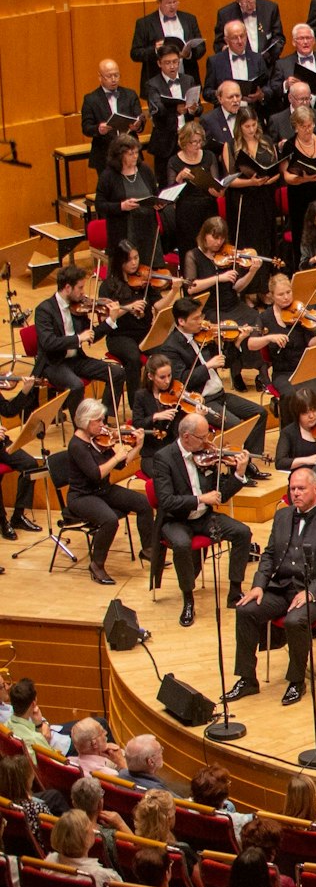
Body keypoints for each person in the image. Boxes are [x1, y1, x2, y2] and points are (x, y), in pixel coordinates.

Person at [227, 467, 316, 707]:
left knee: (295, 621)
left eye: (301, 488)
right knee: (245, 610)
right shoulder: (283, 516)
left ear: (315, 489)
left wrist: (312, 591)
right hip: (282, 587)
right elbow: (269, 554)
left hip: (315, 593)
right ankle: (247, 679)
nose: (295, 493)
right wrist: (258, 585)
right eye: (292, 488)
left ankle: (296, 680)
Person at [147, 413, 254, 629]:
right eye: (202, 437)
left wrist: (239, 473)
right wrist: (200, 499)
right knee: (181, 544)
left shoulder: (206, 456)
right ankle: (188, 599)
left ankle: (235, 592)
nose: (207, 442)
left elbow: (221, 495)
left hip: (204, 517)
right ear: (186, 437)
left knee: (243, 532)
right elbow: (166, 501)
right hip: (175, 520)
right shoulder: (163, 458)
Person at [65, 398, 157, 585]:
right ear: (86, 421)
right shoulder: (77, 445)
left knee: (144, 503)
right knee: (109, 520)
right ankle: (97, 564)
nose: (103, 424)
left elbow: (121, 465)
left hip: (102, 490)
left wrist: (138, 446)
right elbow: (95, 474)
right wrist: (116, 457)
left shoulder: (98, 440)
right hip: (82, 496)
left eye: (102, 419)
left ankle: (148, 549)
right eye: (98, 420)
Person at [37, 265, 127, 419]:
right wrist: (78, 338)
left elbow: (91, 336)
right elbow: (48, 342)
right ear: (67, 288)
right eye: (80, 288)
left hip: (76, 359)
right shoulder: (44, 310)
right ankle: (80, 427)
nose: (83, 292)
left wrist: (110, 320)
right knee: (76, 386)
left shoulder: (78, 306)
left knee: (117, 373)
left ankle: (103, 421)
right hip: (53, 364)